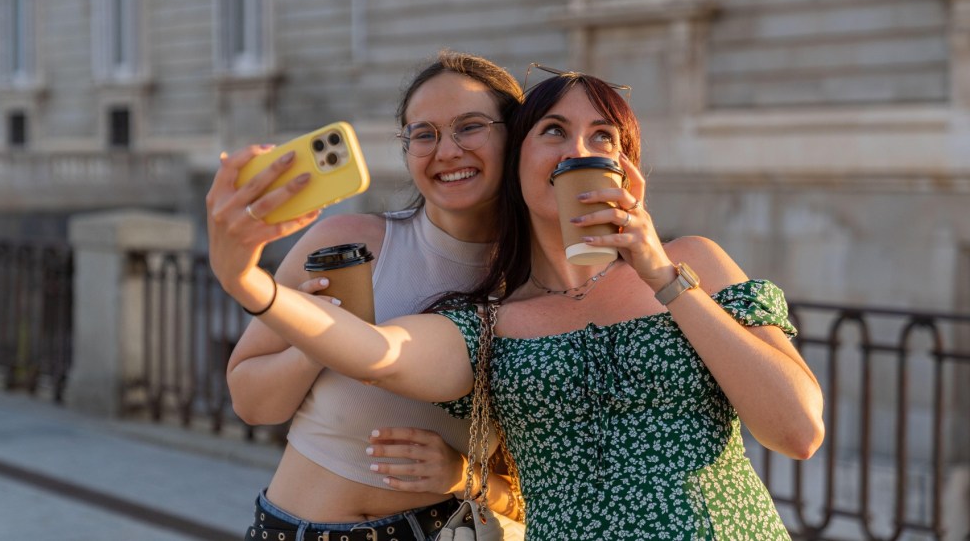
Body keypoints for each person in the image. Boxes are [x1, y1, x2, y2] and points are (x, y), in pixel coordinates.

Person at [208, 67, 825, 539]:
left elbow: (798, 430)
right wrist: (248, 282)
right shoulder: (489, 320)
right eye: (553, 130)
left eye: (603, 136)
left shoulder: (694, 263)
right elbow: (378, 352)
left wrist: (662, 275)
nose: (577, 150)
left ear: (627, 168)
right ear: (520, 159)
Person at [219, 50, 524, 540]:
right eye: (423, 134)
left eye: (469, 127)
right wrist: (322, 340)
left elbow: (558, 488)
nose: (446, 151)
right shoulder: (348, 242)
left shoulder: (533, 285)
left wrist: (464, 475)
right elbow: (252, 405)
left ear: (516, 136)